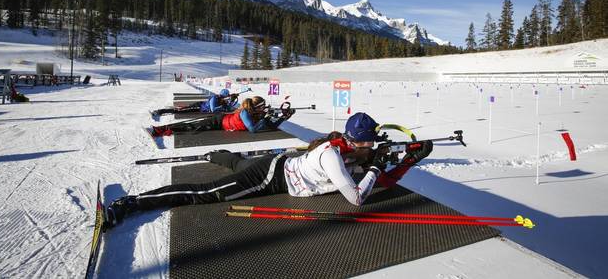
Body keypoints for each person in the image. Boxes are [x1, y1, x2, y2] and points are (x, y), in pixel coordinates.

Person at [105, 112, 433, 228]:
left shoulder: (353, 152)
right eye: (371, 142)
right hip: (271, 176)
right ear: (360, 142)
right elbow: (358, 198)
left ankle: (218, 154)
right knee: (207, 193)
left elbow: (385, 183)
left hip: (280, 169)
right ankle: (131, 202)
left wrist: (408, 161)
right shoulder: (334, 157)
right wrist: (376, 167)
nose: (375, 146)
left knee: (238, 163)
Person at [151, 96, 289, 137]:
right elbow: (252, 129)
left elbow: (270, 125)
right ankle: (161, 129)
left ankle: (164, 129)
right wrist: (265, 118)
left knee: (193, 127)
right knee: (192, 125)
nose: (264, 109)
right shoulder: (245, 112)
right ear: (257, 107)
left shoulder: (256, 113)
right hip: (219, 121)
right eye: (263, 107)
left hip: (223, 121)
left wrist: (284, 117)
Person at [151, 89, 238, 118]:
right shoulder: (214, 98)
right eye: (226, 97)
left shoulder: (222, 101)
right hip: (199, 107)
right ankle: (160, 111)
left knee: (181, 109)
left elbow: (229, 108)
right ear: (222, 96)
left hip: (202, 107)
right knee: (179, 110)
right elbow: (213, 109)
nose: (226, 99)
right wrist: (223, 105)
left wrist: (232, 101)